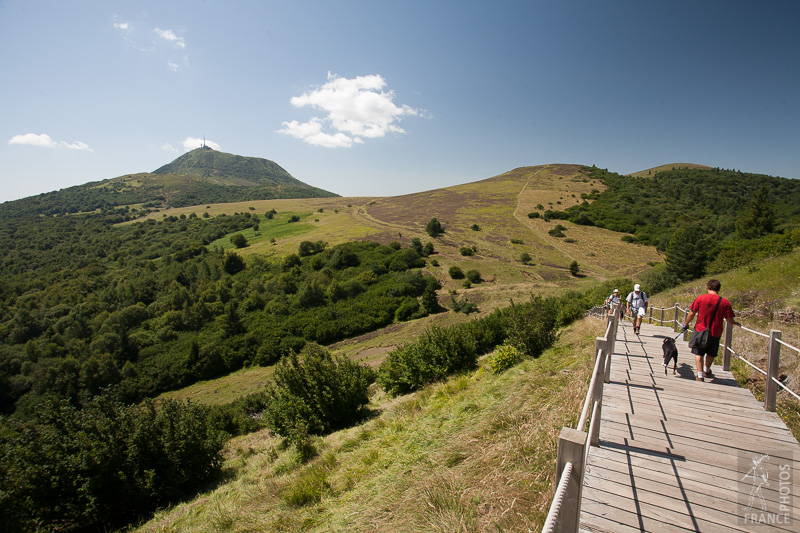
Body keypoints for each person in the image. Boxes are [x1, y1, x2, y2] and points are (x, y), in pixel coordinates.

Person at [683, 278, 740, 382]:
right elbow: (729, 319)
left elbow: (692, 313)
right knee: (711, 353)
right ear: (719, 289)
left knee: (699, 353)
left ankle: (700, 375)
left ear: (708, 287)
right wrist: (735, 323)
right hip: (716, 331)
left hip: (700, 330)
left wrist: (686, 324)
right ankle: (707, 369)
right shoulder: (725, 302)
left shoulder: (700, 298)